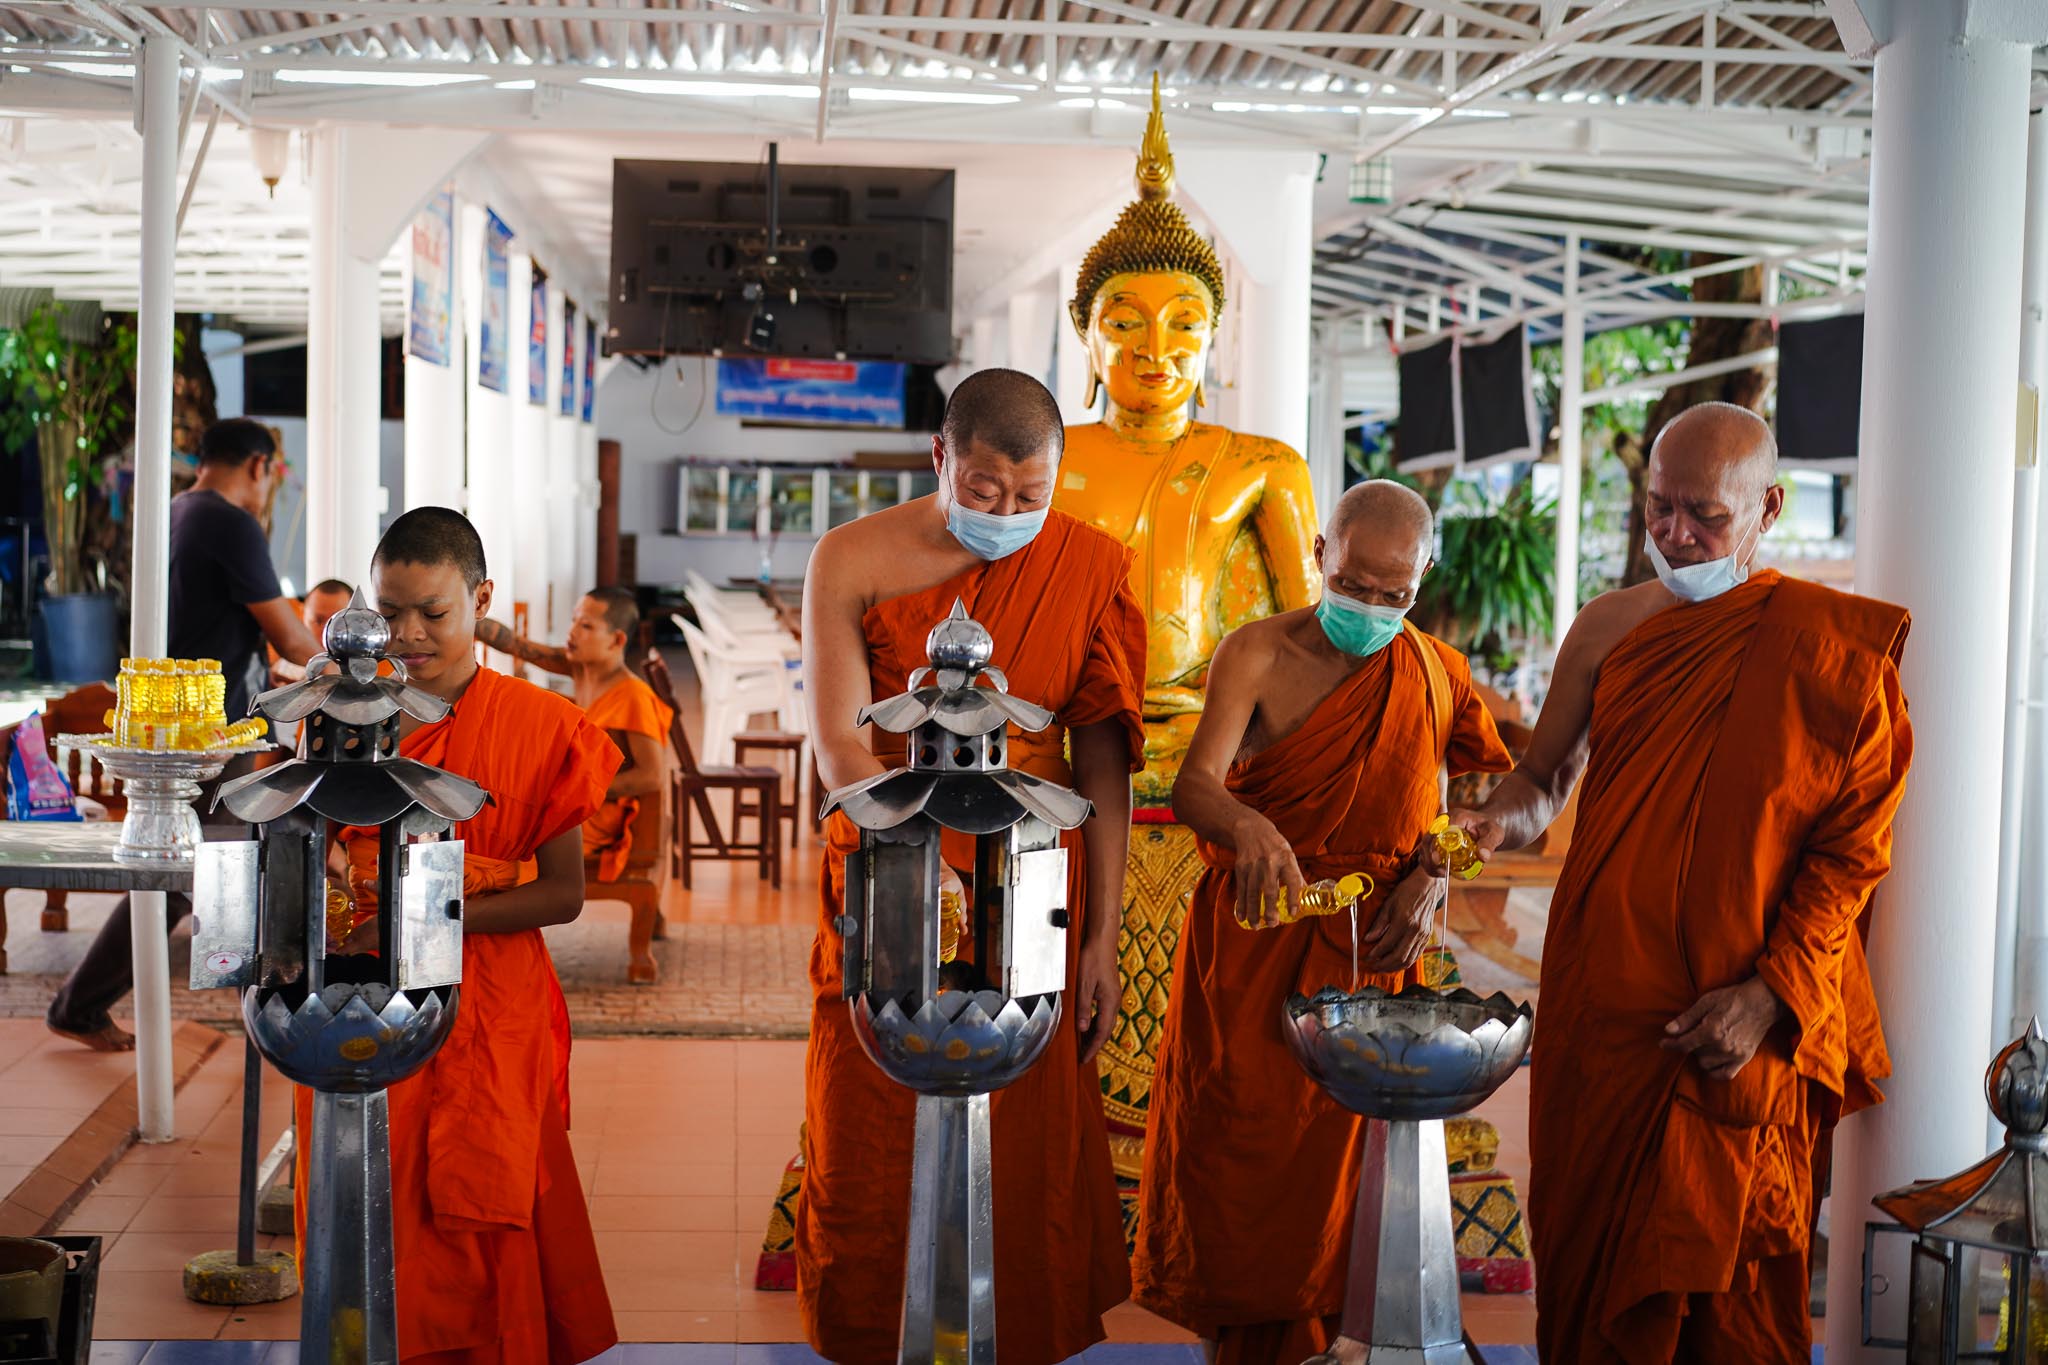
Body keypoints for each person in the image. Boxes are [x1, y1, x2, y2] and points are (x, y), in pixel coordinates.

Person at [1444, 403, 1913, 1363]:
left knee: (1730, 1298)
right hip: (1605, 1009)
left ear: (1768, 508)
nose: (1676, 533)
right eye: (1659, 507)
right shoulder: (1607, 626)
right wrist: (1492, 821)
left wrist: (1771, 993)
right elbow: (1542, 782)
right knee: (1589, 1267)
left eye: (1706, 514)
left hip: (1738, 1023)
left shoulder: (1828, 651)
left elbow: (1850, 853)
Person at [796, 367, 1144, 1365]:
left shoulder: (1091, 564)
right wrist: (918, 859)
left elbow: (1102, 765)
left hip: (1032, 874)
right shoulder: (851, 556)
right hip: (890, 862)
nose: (1006, 514)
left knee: (1025, 1136)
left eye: (1032, 496)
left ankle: (1011, 1335)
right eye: (985, 491)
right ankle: (883, 1335)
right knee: (872, 1120)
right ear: (940, 458)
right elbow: (840, 743)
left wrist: (1101, 937)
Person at [1132, 482, 1510, 1364]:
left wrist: (1430, 876)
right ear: (1319, 554)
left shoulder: (1436, 670)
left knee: (1365, 1183)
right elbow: (1196, 785)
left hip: (1378, 955)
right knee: (1246, 1164)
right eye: (1353, 584)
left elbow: (1453, 808)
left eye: (1394, 593)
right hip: (1261, 942)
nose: (1370, 608)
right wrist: (1248, 825)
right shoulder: (1256, 652)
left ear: (1424, 575)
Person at [294, 506, 622, 1365]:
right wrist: (332, 876)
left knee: (482, 1223)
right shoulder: (336, 717)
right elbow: (310, 844)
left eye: (432, 612)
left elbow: (563, 894)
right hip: (362, 1000)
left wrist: (423, 913)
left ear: (480, 599)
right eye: (389, 611)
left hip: (488, 1006)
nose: (406, 635)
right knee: (366, 1206)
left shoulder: (542, 724)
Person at [46, 417, 321, 1051]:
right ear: (259, 465)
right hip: (209, 736)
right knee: (217, 870)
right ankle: (279, 1015)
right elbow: (289, 635)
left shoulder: (175, 511)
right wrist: (350, 675)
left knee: (184, 870)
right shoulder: (230, 522)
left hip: (176, 728)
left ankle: (81, 1005)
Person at [475, 588, 673, 983]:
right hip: (578, 810)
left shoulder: (632, 694)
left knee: (495, 842)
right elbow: (519, 646)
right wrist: (464, 617)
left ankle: (483, 939)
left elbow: (651, 776)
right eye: (574, 621)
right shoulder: (581, 669)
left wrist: (575, 793)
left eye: (586, 626)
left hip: (595, 818)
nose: (573, 632)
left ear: (617, 640)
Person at [271, 577, 355, 683]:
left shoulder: (368, 669)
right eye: (318, 621)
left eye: (338, 622)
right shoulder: (283, 671)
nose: (326, 632)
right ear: (303, 617)